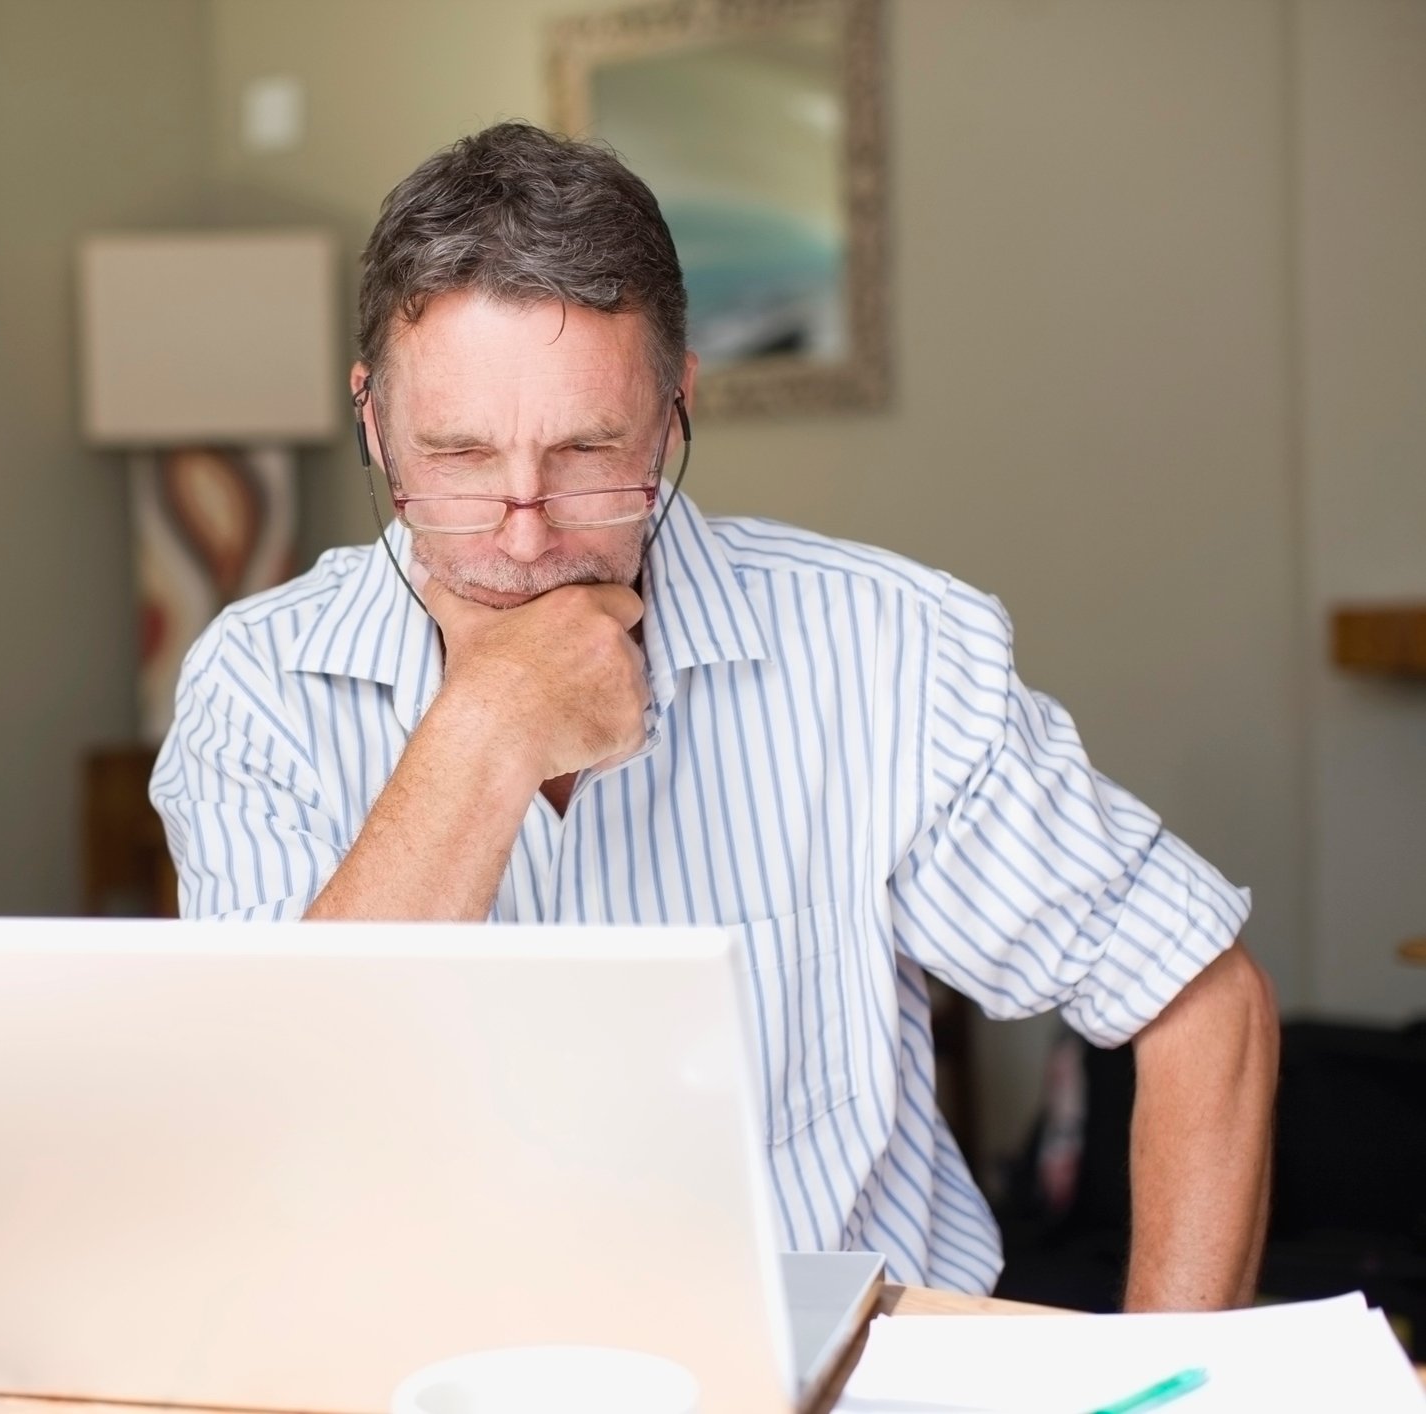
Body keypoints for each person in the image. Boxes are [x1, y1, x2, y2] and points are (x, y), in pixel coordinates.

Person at [150, 121, 1276, 1307]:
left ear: (676, 408)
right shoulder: (255, 690)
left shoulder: (884, 650)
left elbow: (1204, 999)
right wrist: (485, 734)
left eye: (588, 452)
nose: (525, 536)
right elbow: (273, 1142)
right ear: (373, 420)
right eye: (461, 456)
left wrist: (1167, 1388)